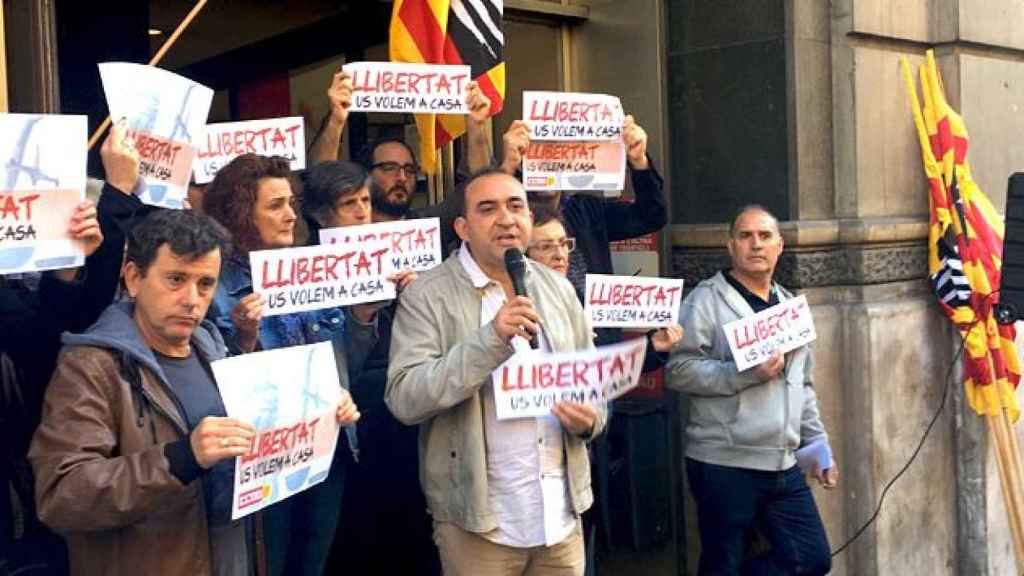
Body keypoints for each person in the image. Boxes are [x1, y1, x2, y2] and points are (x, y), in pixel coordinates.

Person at [27, 209, 362, 575]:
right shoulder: (91, 367)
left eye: (205, 284)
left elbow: (258, 432)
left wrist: (322, 409)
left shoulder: (212, 345)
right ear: (133, 278)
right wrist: (180, 458)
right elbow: (62, 496)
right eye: (175, 279)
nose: (192, 299)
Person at [387, 169, 605, 576]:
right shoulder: (427, 295)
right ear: (463, 228)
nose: (506, 218)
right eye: (488, 209)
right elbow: (405, 398)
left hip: (559, 515)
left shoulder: (557, 288)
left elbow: (592, 382)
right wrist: (490, 341)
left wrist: (592, 418)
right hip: (480, 528)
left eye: (516, 206)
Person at [201, 153, 377, 576]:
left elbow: (345, 360)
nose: (290, 215)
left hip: (327, 443)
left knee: (312, 564)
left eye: (291, 203)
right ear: (242, 212)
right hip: (263, 457)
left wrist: (363, 314)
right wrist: (243, 337)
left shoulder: (311, 270)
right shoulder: (214, 285)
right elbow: (208, 382)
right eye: (275, 205)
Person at [665, 205, 837, 576]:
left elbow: (802, 386)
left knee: (812, 558)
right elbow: (677, 372)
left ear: (780, 245)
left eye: (764, 236)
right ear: (731, 247)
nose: (755, 244)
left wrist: (817, 448)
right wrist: (744, 374)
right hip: (724, 463)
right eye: (745, 236)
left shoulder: (790, 305)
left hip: (784, 464)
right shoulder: (705, 300)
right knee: (721, 561)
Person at [525, 204, 683, 367]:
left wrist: (653, 345)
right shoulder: (519, 303)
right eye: (546, 247)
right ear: (524, 254)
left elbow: (602, 363)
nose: (560, 255)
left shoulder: (574, 298)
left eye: (564, 243)